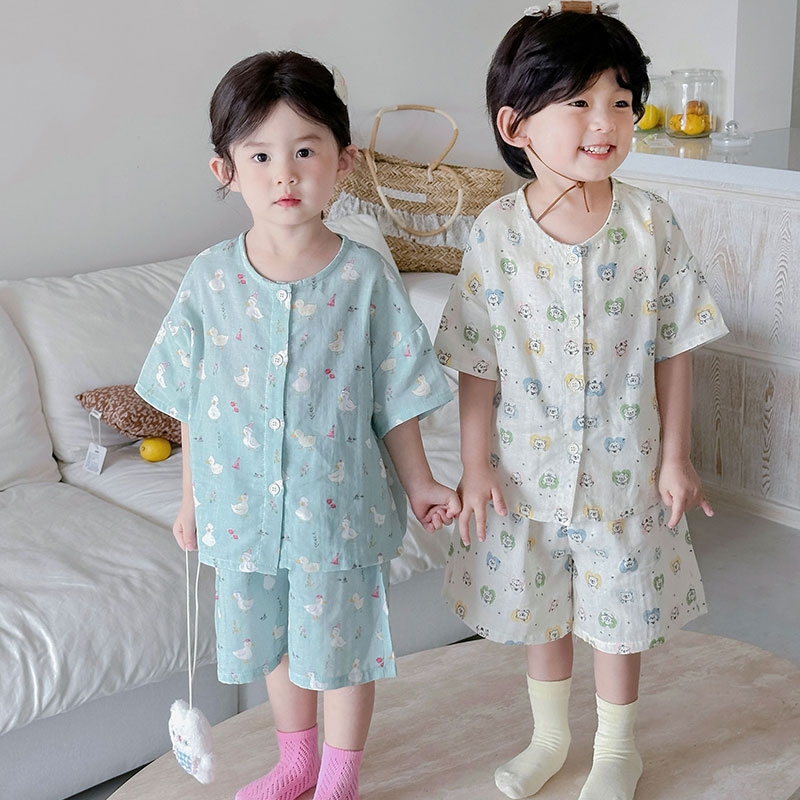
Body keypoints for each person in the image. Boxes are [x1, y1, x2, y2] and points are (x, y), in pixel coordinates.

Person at [136, 50, 460, 800]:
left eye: (305, 151)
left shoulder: (365, 277)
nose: (284, 174)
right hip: (241, 510)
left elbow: (396, 396)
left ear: (343, 162)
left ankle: (339, 778)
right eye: (260, 156)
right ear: (226, 170)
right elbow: (194, 405)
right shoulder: (209, 280)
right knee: (274, 646)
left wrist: (420, 484)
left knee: (341, 652)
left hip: (336, 513)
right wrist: (190, 503)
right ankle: (295, 766)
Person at [434, 5, 729, 800]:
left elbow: (675, 345)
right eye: (579, 102)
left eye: (622, 102)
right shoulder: (496, 233)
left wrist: (676, 457)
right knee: (543, 609)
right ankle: (551, 738)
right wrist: (473, 467)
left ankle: (617, 750)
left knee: (619, 613)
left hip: (624, 469)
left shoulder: (649, 223)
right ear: (516, 124)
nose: (606, 122)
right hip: (524, 471)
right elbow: (476, 361)